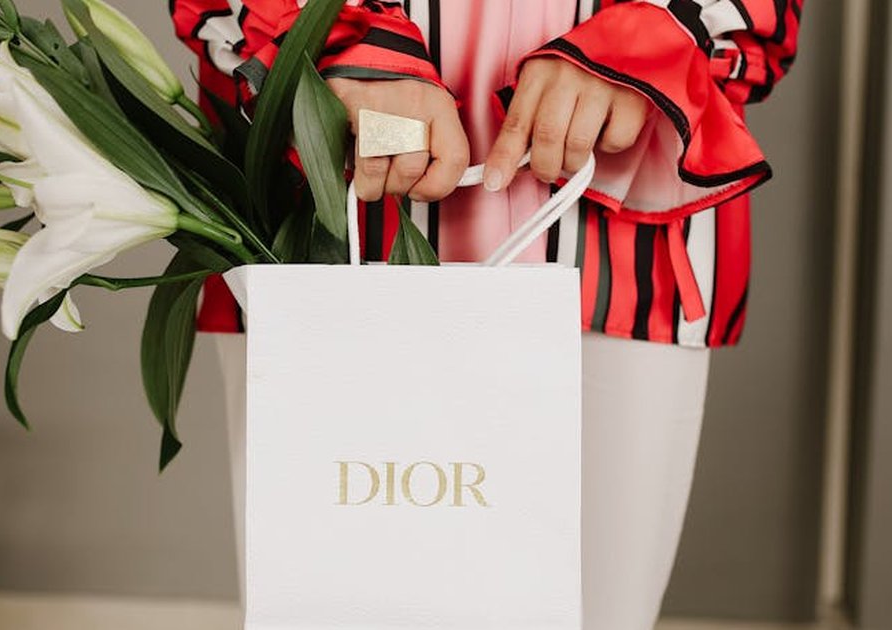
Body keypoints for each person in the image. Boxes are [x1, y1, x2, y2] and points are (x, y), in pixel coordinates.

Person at [172, 1, 802, 628]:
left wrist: (652, 31)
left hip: (619, 212)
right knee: (333, 595)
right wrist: (335, 36)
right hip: (338, 194)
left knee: (600, 607)